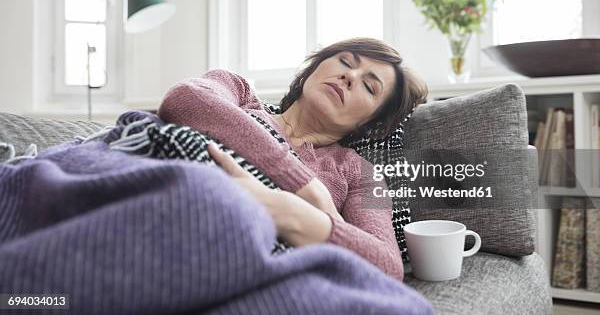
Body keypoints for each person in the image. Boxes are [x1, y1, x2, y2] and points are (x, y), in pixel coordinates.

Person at [158, 37, 428, 281]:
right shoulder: (239, 94)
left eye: (369, 87)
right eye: (345, 61)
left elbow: (388, 267)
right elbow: (184, 99)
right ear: (315, 67)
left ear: (372, 122)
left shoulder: (361, 174)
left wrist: (292, 212)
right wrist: (305, 186)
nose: (350, 75)